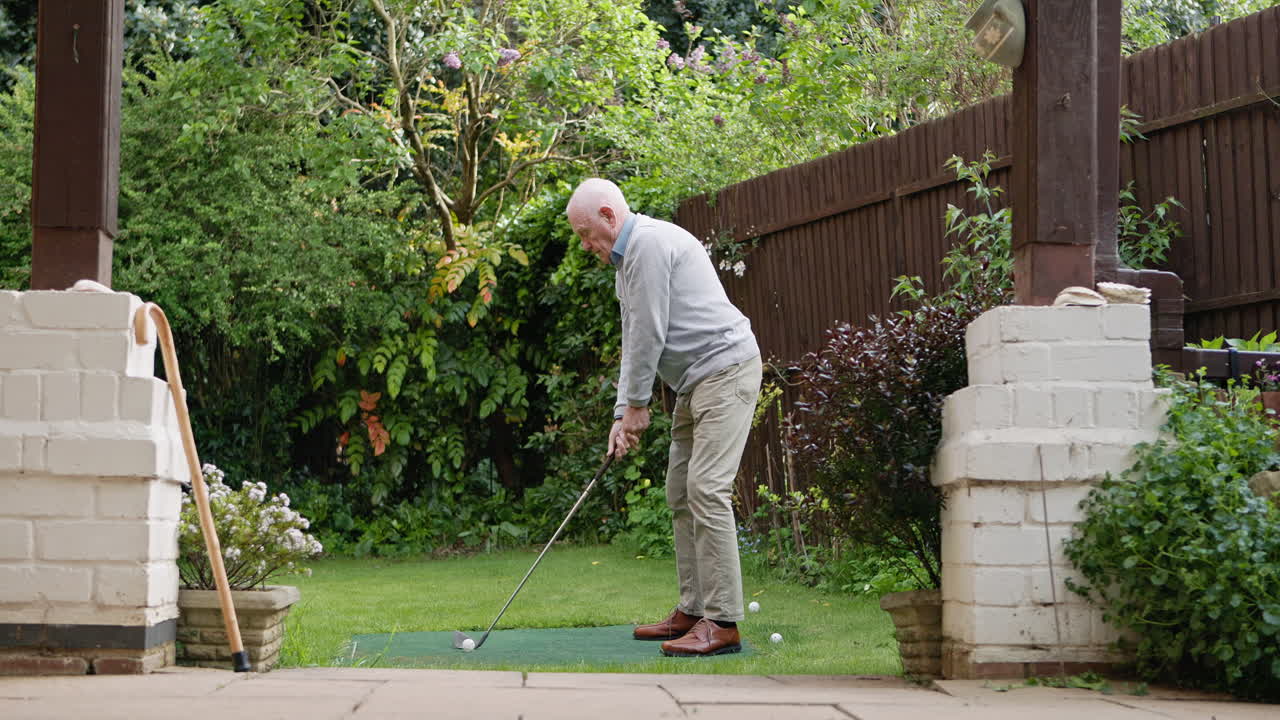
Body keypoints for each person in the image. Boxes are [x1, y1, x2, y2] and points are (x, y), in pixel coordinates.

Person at [565, 178, 762, 657]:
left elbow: (650, 331)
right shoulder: (625, 264)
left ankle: (723, 621)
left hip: (725, 369)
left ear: (610, 216)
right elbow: (633, 338)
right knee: (679, 491)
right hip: (695, 382)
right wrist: (622, 412)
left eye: (587, 233)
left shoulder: (649, 244)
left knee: (706, 489)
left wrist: (637, 407)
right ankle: (693, 610)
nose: (586, 244)